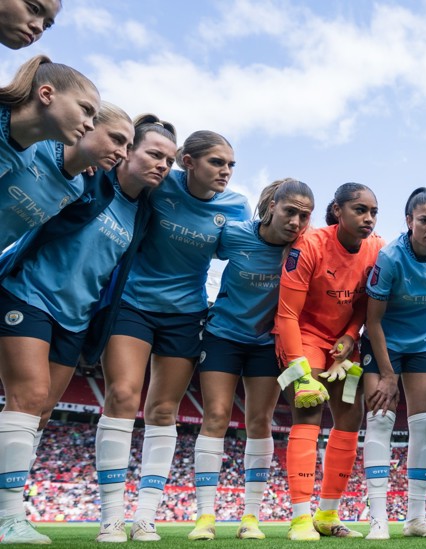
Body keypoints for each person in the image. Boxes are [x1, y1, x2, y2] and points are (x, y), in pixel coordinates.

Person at [0, 111, 159, 545]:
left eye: (168, 159)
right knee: (27, 397)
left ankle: (9, 510)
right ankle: (8, 517)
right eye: (142, 150)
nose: (159, 164)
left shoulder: (142, 211)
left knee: (43, 411)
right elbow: (58, 154)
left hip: (77, 317)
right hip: (28, 292)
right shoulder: (89, 179)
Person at [94, 128, 250, 543]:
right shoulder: (161, 184)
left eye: (231, 164)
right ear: (188, 162)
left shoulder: (236, 207)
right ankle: (110, 517)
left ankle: (146, 516)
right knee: (123, 395)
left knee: (163, 410)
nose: (226, 172)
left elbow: (249, 249)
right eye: (217, 162)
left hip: (186, 314)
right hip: (134, 302)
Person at [186, 179, 314, 541]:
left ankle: (251, 518)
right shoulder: (235, 234)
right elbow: (198, 252)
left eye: (304, 216)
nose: (296, 222)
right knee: (216, 416)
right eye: (290, 211)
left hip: (265, 343)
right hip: (223, 335)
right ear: (272, 206)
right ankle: (205, 517)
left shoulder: (304, 248)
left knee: (260, 420)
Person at [274, 182, 384, 541]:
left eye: (373, 212)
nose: (368, 218)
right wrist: (301, 371)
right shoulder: (308, 245)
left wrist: (352, 335)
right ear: (338, 211)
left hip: (343, 344)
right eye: (360, 210)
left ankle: (327, 514)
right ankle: (300, 518)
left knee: (351, 417)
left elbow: (365, 304)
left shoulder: (376, 249)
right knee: (308, 411)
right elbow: (288, 313)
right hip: (303, 337)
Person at [360, 187, 426, 540]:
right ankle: (378, 518)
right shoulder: (390, 258)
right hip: (383, 342)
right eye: (424, 220)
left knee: (424, 427)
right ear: (408, 222)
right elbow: (372, 321)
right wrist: (387, 374)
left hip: (424, 346)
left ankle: (416, 517)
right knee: (380, 421)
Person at [2, 55, 100, 249]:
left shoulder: (27, 155)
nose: (90, 126)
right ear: (46, 94)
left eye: (94, 118)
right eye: (86, 110)